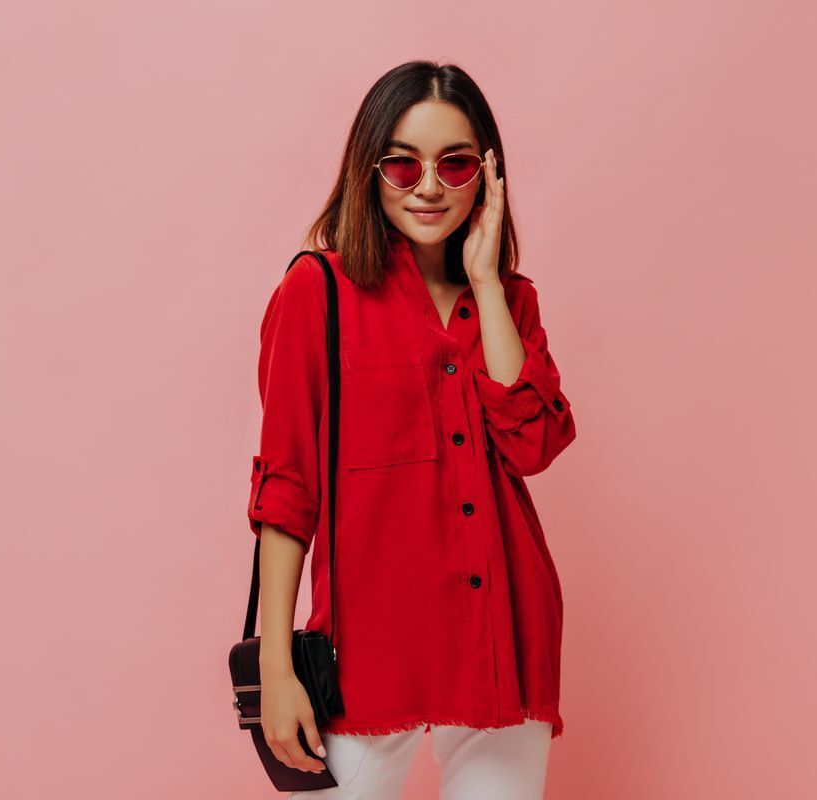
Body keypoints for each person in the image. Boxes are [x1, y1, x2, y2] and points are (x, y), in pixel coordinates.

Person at [246, 60, 577, 799]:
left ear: (485, 175)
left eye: (454, 164)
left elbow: (533, 444)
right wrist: (274, 667)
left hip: (503, 644)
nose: (428, 185)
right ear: (370, 169)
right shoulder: (317, 292)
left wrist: (487, 282)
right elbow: (287, 486)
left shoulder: (511, 301)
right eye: (403, 163)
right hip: (369, 657)